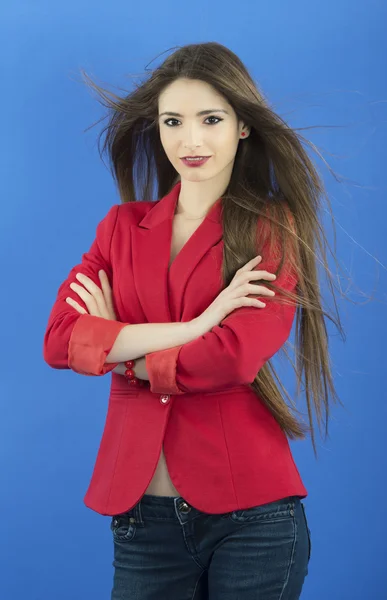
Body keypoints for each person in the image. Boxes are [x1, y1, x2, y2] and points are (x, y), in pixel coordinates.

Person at [43, 42, 344, 599]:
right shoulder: (120, 228)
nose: (191, 140)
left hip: (252, 518)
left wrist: (118, 349)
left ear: (242, 127)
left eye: (211, 119)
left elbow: (232, 357)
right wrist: (195, 325)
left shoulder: (268, 226)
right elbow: (60, 341)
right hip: (141, 519)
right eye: (173, 121)